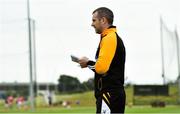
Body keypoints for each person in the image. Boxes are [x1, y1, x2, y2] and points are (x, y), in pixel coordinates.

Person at [78, 7, 126, 113]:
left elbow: (101, 68)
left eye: (94, 20)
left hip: (109, 95)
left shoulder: (109, 38)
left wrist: (88, 63)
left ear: (103, 20)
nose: (92, 24)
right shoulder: (109, 37)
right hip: (112, 95)